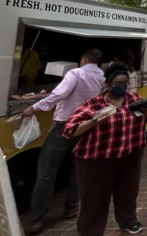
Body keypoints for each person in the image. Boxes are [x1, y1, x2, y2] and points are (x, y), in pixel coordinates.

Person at [22, 48, 105, 235]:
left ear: (83, 59)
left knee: (46, 173)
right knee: (76, 169)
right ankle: (71, 207)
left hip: (64, 127)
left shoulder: (75, 73)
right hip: (86, 127)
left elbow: (59, 94)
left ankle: (37, 220)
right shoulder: (101, 76)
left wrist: (34, 108)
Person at [63, 63, 147, 236]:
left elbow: (142, 118)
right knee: (94, 199)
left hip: (129, 156)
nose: (122, 87)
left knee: (128, 193)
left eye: (125, 83)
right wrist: (94, 120)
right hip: (97, 161)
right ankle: (90, 231)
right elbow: (70, 130)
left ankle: (129, 221)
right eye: (118, 83)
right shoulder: (94, 104)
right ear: (108, 84)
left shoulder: (133, 99)